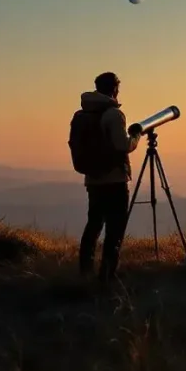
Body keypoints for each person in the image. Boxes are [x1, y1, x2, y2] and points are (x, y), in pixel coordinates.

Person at [76, 71, 141, 282]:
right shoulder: (113, 114)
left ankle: (85, 271)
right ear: (115, 89)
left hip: (93, 179)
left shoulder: (84, 113)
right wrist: (136, 136)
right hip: (115, 179)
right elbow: (122, 145)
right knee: (115, 229)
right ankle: (107, 275)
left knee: (93, 225)